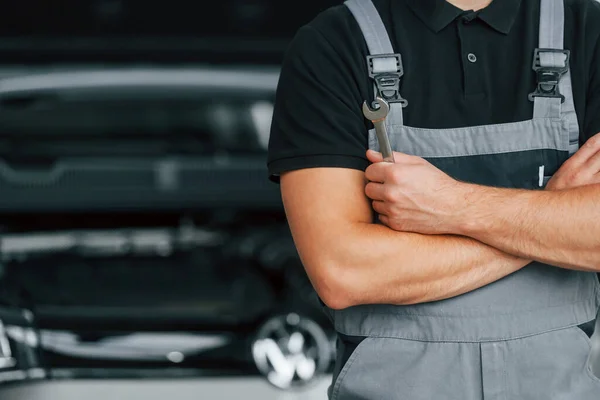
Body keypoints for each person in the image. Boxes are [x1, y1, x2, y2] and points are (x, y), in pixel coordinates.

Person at [267, 0, 600, 398]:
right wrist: (553, 217)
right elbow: (343, 272)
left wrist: (452, 204)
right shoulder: (333, 44)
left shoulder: (588, 31)